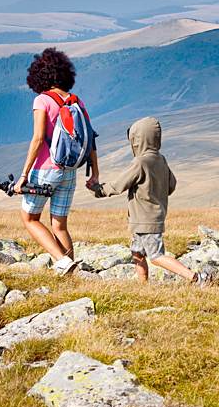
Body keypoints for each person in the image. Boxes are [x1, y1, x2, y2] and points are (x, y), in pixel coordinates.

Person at [88, 117, 210, 284]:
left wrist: (98, 189)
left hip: (146, 220)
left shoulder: (140, 162)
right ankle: (143, 286)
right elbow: (171, 185)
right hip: (147, 218)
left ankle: (197, 278)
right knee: (137, 253)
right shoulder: (161, 159)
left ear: (138, 140)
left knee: (156, 256)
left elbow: (118, 185)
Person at [14, 48, 98, 275]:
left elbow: (39, 138)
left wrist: (23, 176)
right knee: (59, 224)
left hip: (45, 170)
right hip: (70, 170)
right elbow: (90, 137)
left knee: (30, 218)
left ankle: (62, 261)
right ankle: (72, 274)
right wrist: (95, 173)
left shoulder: (42, 100)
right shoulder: (76, 101)